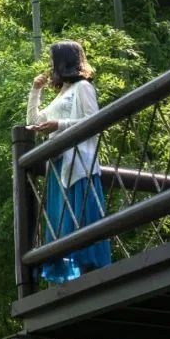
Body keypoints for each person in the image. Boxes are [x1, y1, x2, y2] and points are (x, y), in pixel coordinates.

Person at [26, 40, 112, 283]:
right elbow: (33, 121)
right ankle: (74, 286)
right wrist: (36, 90)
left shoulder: (83, 88)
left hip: (79, 166)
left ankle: (91, 281)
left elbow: (94, 123)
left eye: (54, 61)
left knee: (82, 223)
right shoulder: (62, 93)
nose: (51, 66)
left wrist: (59, 125)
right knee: (62, 227)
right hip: (59, 167)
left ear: (64, 62)